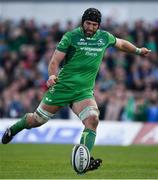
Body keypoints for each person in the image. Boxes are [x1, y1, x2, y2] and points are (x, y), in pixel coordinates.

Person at [1, 8, 151, 172]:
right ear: (82, 22)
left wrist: (137, 50)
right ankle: (13, 129)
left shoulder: (104, 37)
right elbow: (54, 60)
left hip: (83, 92)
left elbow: (121, 43)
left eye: (94, 25)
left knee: (92, 119)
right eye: (88, 23)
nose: (91, 27)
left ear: (98, 25)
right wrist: (51, 76)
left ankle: (83, 163)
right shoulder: (71, 36)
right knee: (37, 120)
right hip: (62, 88)